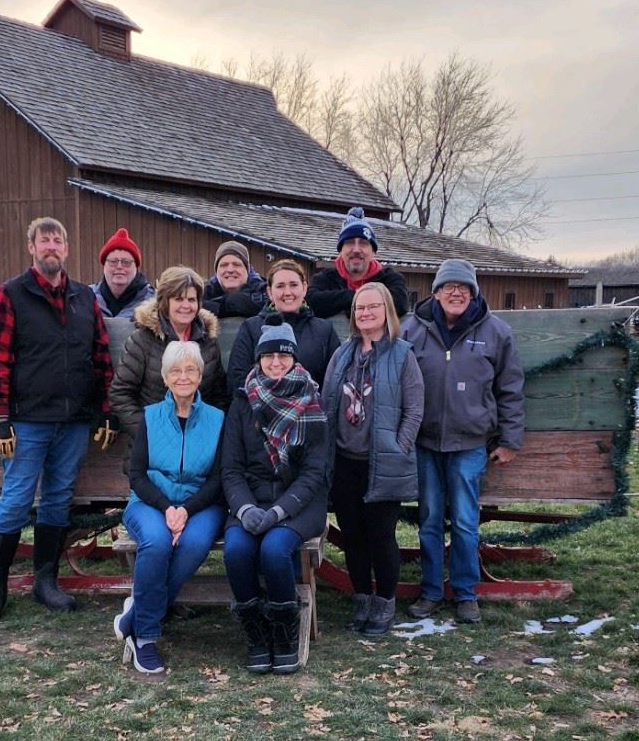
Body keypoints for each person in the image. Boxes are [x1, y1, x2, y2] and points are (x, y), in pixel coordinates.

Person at [0, 216, 119, 623]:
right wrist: (0, 416)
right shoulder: (11, 295)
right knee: (17, 500)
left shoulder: (82, 298)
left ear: (67, 249)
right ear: (32, 248)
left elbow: (100, 358)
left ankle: (45, 581)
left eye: (58, 241)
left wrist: (104, 408)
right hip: (28, 420)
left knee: (58, 500)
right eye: (45, 240)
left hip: (73, 421)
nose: (52, 246)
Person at [399, 259, 524, 624]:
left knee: (467, 522)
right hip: (424, 443)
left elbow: (511, 390)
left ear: (473, 293)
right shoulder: (412, 331)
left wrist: (510, 440)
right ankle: (431, 591)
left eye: (464, 288)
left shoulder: (496, 333)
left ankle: (466, 593)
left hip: (471, 443)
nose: (456, 293)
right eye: (448, 287)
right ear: (435, 292)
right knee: (430, 519)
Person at [221, 317, 330, 674]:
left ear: (294, 360)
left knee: (273, 548)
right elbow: (232, 468)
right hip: (251, 499)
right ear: (258, 360)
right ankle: (256, 633)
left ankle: (284, 632)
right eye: (268, 357)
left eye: (283, 357)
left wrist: (280, 511)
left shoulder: (312, 402)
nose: (275, 363)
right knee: (237, 550)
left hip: (298, 503)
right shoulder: (241, 403)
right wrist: (244, 507)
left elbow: (314, 472)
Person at [112, 342, 227, 674]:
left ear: (201, 375)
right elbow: (136, 474)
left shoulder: (217, 419)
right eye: (175, 370)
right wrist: (167, 508)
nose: (183, 376)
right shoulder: (150, 417)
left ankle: (136, 615)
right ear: (164, 377)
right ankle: (145, 637)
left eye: (191, 369)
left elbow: (218, 479)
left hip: (202, 504)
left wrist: (186, 510)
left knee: (192, 543)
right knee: (157, 541)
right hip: (150, 502)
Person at [321, 282, 424, 636]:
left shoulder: (402, 354)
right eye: (359, 308)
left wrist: (399, 446)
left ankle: (385, 602)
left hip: (382, 462)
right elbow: (327, 402)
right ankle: (362, 598)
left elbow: (414, 409)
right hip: (345, 461)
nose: (365, 313)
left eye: (372, 307)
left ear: (386, 312)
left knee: (381, 537)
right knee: (353, 536)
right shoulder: (342, 354)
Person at [110, 267, 229, 434]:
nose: (186, 306)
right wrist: (147, 432)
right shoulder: (143, 340)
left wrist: (208, 431)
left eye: (191, 299)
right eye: (179, 299)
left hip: (197, 439)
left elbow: (219, 395)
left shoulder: (208, 342)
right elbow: (120, 394)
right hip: (153, 441)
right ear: (165, 302)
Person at [227, 259, 340, 391]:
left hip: (312, 409)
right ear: (269, 292)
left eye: (293, 285)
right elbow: (237, 380)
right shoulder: (251, 328)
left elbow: (335, 380)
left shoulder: (324, 330)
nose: (287, 292)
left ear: (304, 288)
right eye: (280, 286)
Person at [305, 207, 410, 319]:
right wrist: (357, 296)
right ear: (340, 250)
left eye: (363, 243)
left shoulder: (390, 278)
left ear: (373, 252)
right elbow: (311, 303)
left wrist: (346, 301)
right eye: (350, 243)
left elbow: (400, 304)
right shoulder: (325, 278)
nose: (356, 250)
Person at [91, 228, 155, 319]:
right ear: (104, 265)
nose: (119, 266)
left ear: (136, 267)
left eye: (126, 262)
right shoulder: (86, 298)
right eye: (113, 261)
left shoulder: (154, 302)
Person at [203, 239, 268, 318]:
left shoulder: (265, 291)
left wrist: (223, 305)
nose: (230, 270)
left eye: (236, 264)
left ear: (247, 270)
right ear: (216, 272)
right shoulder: (203, 294)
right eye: (224, 265)